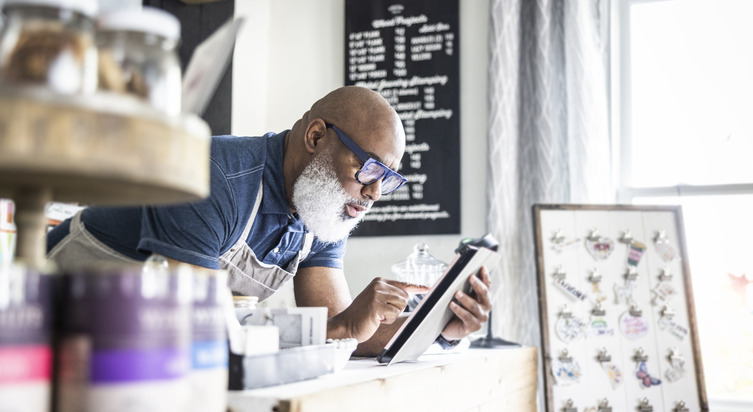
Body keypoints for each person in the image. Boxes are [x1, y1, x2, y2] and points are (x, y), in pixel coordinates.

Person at [46, 86, 492, 356]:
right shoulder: (213, 176)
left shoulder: (321, 211)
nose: (374, 193)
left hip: (132, 342)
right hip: (56, 313)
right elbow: (197, 335)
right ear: (317, 136)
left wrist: (440, 328)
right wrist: (335, 330)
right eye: (370, 169)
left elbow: (343, 332)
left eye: (388, 179)